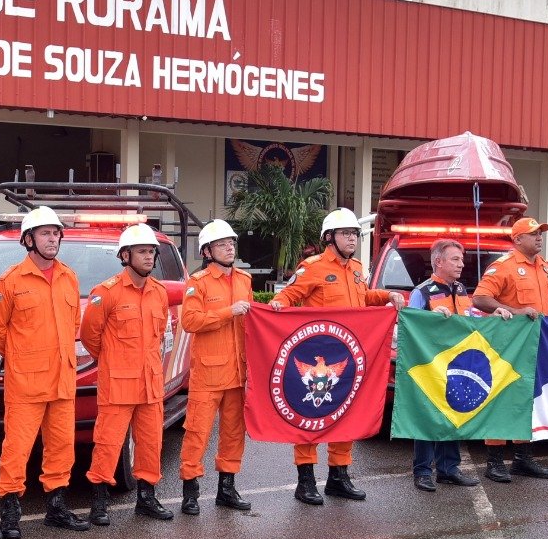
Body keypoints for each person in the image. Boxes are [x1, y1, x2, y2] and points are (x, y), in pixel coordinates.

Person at [269, 208, 398, 504]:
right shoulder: (312, 267)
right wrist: (275, 306)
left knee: (346, 412)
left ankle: (339, 476)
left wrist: (386, 296)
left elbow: (364, 297)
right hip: (317, 360)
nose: (352, 238)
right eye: (346, 233)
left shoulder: (356, 268)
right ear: (330, 238)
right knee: (310, 415)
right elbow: (287, 296)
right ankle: (305, 480)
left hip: (349, 355)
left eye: (354, 234)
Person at [0, 206, 90, 536]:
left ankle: (56, 507)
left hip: (62, 379)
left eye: (56, 232)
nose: (53, 238)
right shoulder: (11, 280)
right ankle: (11, 510)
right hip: (26, 381)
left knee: (61, 447)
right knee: (17, 448)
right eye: (45, 233)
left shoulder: (69, 277)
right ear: (29, 239)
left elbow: (72, 325)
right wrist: (21, 356)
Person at [80, 223, 173, 523]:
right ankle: (99, 501)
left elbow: (159, 335)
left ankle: (147, 498)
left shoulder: (159, 293)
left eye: (151, 252)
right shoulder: (105, 293)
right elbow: (90, 336)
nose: (149, 257)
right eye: (142, 252)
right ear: (125, 255)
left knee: (150, 442)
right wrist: (113, 361)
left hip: (150, 383)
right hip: (118, 383)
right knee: (108, 443)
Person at [470, 217, 548, 482]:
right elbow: (480, 298)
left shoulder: (546, 269)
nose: (539, 237)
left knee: (529, 401)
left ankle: (523, 458)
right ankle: (495, 461)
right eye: (533, 234)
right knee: (503, 401)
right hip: (508, 348)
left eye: (541, 233)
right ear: (517, 239)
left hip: (538, 347)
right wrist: (516, 312)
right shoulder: (504, 267)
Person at [176, 219, 253, 514]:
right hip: (208, 374)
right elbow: (191, 321)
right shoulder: (198, 283)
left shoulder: (245, 281)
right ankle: (190, 492)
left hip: (237, 373)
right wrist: (227, 312)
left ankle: (227, 489)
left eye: (231, 242)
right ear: (207, 251)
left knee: (233, 434)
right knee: (197, 433)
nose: (229, 247)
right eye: (222, 244)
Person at [405, 239, 487, 491]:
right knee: (428, 419)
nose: (461, 264)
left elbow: (471, 319)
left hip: (457, 366)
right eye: (455, 259)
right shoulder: (422, 292)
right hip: (430, 367)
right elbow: (409, 325)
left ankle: (448, 469)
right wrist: (430, 318)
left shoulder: (462, 289)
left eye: (462, 260)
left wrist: (496, 316)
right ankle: (422, 472)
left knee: (453, 415)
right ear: (438, 262)